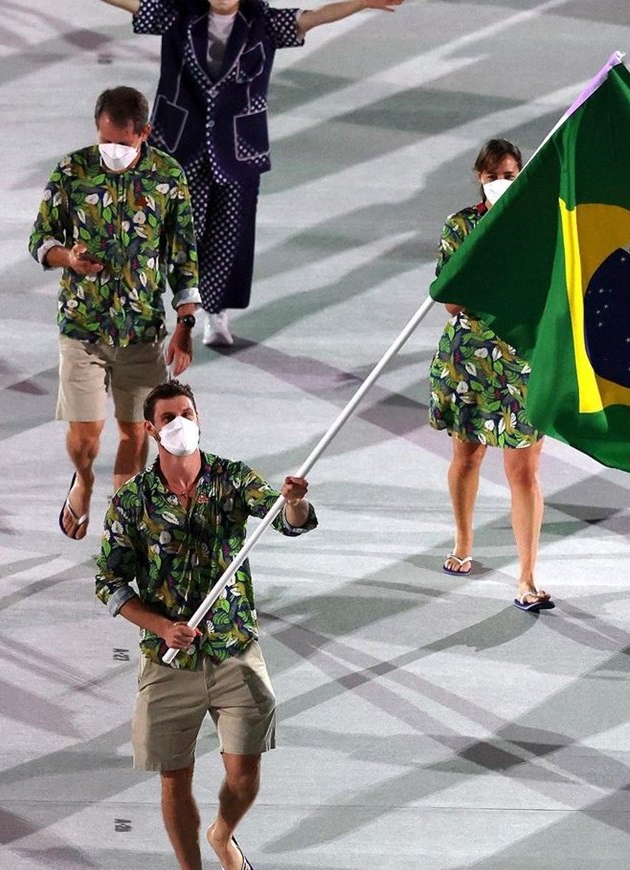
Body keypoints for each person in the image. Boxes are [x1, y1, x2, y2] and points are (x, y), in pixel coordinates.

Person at [95, 379, 317, 870]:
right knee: (175, 779)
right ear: (150, 429)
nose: (179, 423)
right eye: (168, 416)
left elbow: (285, 520)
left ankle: (223, 834)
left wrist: (293, 501)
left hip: (233, 648)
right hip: (170, 660)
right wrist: (161, 625)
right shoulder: (132, 501)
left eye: (187, 413)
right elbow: (110, 581)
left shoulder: (232, 477)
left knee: (244, 774)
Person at [98, 0, 406, 346]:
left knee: (228, 237)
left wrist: (362, 2)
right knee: (171, 235)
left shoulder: (264, 23)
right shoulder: (178, 14)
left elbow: (315, 18)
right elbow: (132, 4)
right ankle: (141, 308)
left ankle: (216, 313)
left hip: (238, 148)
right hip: (182, 142)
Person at [30, 85, 200, 540]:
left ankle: (121, 525)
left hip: (142, 330)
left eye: (122, 145)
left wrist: (184, 325)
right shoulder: (72, 170)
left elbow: (183, 256)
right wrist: (68, 258)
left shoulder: (168, 177)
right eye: (105, 141)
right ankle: (83, 481)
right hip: (82, 328)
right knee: (86, 438)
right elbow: (40, 240)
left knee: (135, 434)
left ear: (144, 133)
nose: (112, 152)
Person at [429, 138, 552, 612]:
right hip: (470, 362)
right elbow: (453, 299)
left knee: (524, 471)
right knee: (468, 459)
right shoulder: (461, 225)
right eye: (495, 175)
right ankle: (463, 544)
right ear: (480, 177)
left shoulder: (541, 227)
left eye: (511, 174)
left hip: (522, 362)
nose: (504, 182)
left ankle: (527, 577)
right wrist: (489, 250)